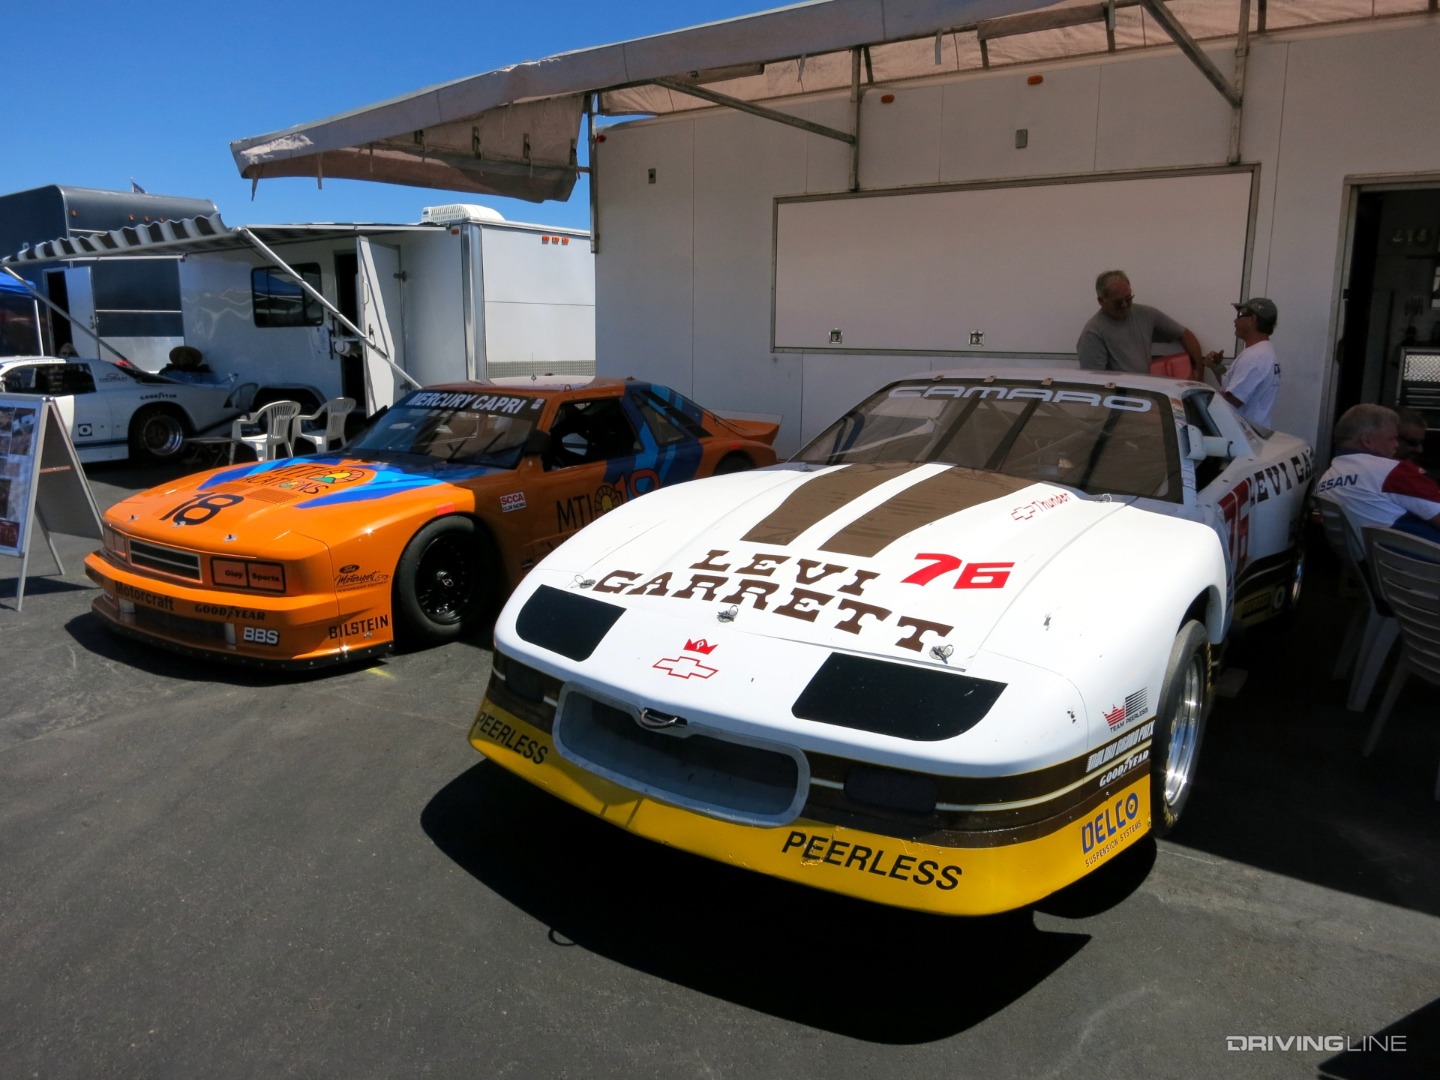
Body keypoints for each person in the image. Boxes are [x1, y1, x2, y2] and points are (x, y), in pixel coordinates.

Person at [1313, 403, 1440, 552]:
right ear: (1368, 440)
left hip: (1376, 568)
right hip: (1422, 567)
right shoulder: (1391, 471)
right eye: (1392, 438)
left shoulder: (1326, 479)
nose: (1396, 445)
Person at [1076, 270, 1205, 378]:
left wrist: (1198, 370)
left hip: (1146, 392)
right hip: (1119, 400)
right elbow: (1094, 383)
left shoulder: (1146, 314)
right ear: (1101, 301)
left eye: (1128, 299)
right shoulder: (1093, 333)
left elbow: (1185, 335)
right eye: (1117, 303)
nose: (1125, 305)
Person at [1202, 297, 1281, 429]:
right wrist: (1217, 366)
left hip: (1245, 436)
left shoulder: (1256, 357)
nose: (1235, 320)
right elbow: (1232, 387)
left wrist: (1194, 395)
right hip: (1252, 434)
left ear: (1252, 320)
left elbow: (1233, 399)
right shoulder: (1263, 352)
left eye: (1240, 315)